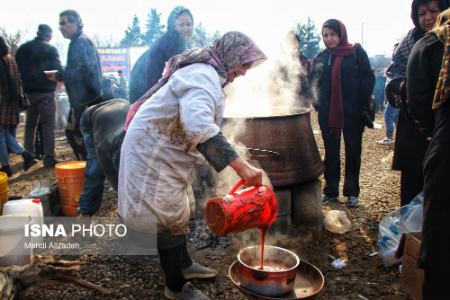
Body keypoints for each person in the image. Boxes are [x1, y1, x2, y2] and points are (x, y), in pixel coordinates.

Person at [119, 31, 266, 300]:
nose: (243, 72)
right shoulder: (202, 75)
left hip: (166, 149)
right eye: (243, 65)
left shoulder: (209, 75)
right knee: (166, 215)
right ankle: (175, 287)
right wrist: (242, 167)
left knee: (180, 207)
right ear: (231, 55)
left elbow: (197, 123)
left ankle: (184, 264)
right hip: (152, 153)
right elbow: (197, 123)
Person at [407, 8, 450, 299]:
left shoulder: (431, 44)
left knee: (441, 232)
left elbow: (418, 101)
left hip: (446, 147)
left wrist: (434, 133)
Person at [310, 19, 374, 207]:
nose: (329, 39)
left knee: (353, 152)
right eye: (325, 35)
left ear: (341, 34)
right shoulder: (322, 57)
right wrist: (318, 103)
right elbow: (312, 81)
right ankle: (331, 191)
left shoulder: (356, 53)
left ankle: (352, 192)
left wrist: (359, 102)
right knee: (331, 152)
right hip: (328, 114)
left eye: (332, 34)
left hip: (353, 113)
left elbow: (367, 78)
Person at [385, 0, 444, 206]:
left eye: (434, 11)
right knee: (412, 181)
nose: (428, 17)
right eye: (422, 13)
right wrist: (400, 86)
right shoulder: (410, 43)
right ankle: (409, 232)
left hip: (442, 123)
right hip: (413, 123)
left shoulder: (444, 42)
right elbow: (393, 75)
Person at [56, 9, 102, 160]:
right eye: (59, 24)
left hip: (85, 101)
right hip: (82, 100)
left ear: (75, 23)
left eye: (63, 23)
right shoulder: (77, 41)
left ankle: (88, 169)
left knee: (77, 135)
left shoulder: (81, 41)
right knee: (80, 135)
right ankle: (89, 168)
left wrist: (60, 75)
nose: (60, 27)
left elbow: (84, 69)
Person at [15, 24, 64, 168]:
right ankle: (49, 158)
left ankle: (29, 155)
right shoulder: (50, 49)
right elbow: (59, 71)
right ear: (49, 36)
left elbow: (18, 70)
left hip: (29, 93)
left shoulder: (23, 49)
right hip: (45, 93)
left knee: (30, 125)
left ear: (38, 33)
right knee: (48, 125)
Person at [129, 6, 197, 103]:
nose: (186, 28)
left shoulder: (190, 43)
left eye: (188, 24)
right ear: (173, 26)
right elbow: (153, 82)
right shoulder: (166, 45)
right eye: (181, 25)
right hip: (146, 92)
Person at [77, 99, 130, 216]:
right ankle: (85, 213)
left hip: (122, 106)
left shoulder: (138, 142)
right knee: (95, 171)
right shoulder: (105, 148)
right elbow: (115, 180)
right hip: (91, 117)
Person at [0, 37, 36, 176]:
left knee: (2, 134)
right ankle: (17, 158)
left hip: (3, 101)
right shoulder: (11, 59)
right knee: (5, 133)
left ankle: (9, 163)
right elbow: (19, 81)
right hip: (12, 101)